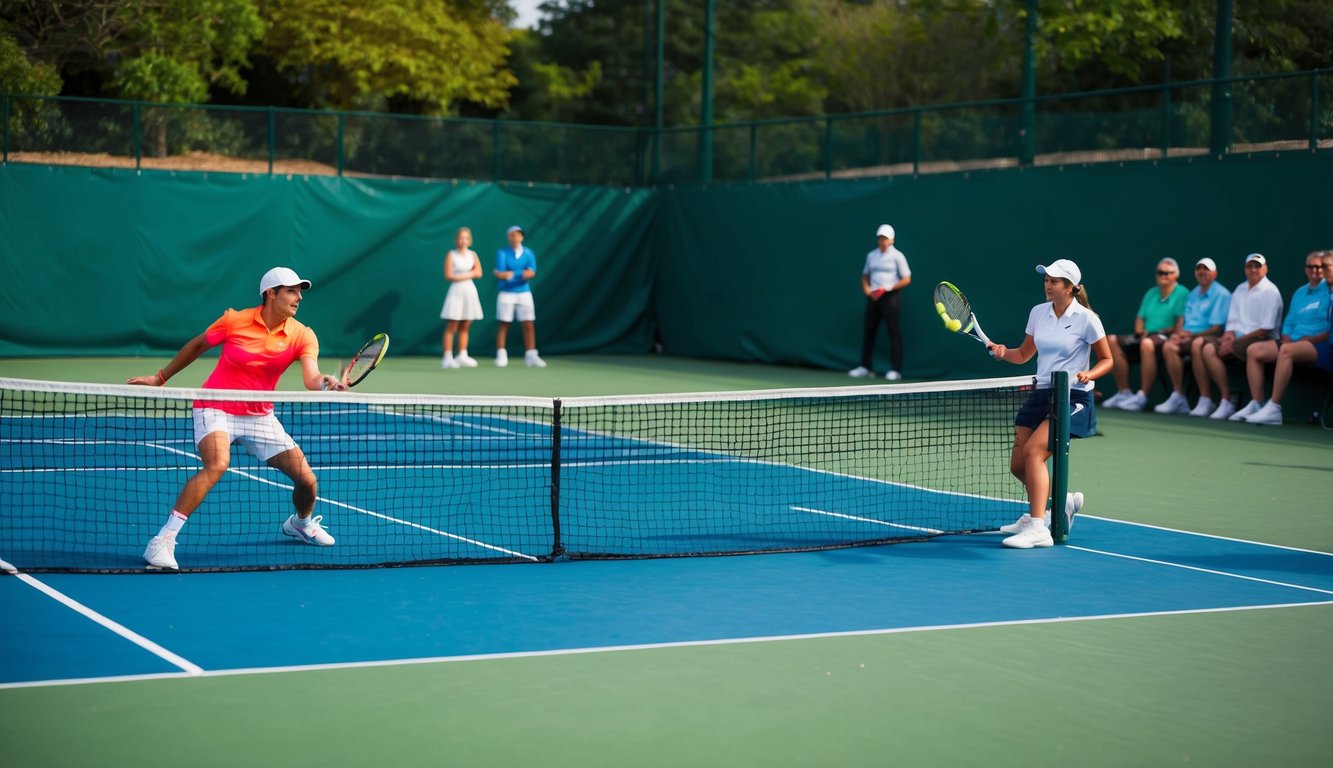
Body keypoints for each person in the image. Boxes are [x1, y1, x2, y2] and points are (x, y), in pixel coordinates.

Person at [126, 267, 347, 570]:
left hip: (260, 416)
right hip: (215, 406)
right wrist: (160, 377)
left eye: (300, 292)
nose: (298, 297)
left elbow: (311, 375)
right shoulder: (235, 320)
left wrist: (325, 383)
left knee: (307, 481)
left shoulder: (302, 334)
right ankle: (162, 541)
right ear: (271, 293)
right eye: (291, 291)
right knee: (217, 464)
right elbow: (197, 345)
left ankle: (300, 523)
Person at [988, 259, 1113, 549]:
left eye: (1054, 281)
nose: (1047, 285)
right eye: (1046, 280)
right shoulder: (1038, 313)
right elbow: (1023, 354)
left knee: (1034, 452)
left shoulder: (1087, 319)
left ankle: (1038, 527)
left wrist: (1089, 373)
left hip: (1073, 396)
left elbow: (1108, 359)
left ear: (1069, 288)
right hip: (1041, 393)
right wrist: (1003, 351)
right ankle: (1061, 502)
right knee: (1018, 464)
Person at [1231, 250, 1332, 424]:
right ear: (1305, 269)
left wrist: (1308, 340)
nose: (1316, 270)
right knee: (1254, 350)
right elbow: (1290, 320)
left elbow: (1328, 330)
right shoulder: (1300, 293)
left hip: (1317, 344)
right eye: (1312, 266)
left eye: (1321, 266)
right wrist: (1286, 337)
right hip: (1291, 342)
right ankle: (1257, 403)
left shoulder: (1329, 291)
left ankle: (1274, 408)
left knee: (1286, 351)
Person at [1191, 253, 1284, 419]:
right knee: (1208, 349)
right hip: (1238, 339)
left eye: (1257, 266)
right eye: (1250, 266)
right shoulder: (1240, 289)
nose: (1254, 269)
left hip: (1263, 339)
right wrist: (1228, 336)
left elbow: (1265, 329)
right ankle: (1226, 401)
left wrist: (1235, 342)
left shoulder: (1271, 292)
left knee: (1237, 349)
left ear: (1265, 269)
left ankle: (1257, 403)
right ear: (1245, 269)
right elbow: (1232, 322)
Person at [1101, 258, 1188, 411]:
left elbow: (1181, 321)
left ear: (1175, 276)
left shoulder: (1182, 293)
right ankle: (1124, 392)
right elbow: (1140, 318)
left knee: (1147, 343)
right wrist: (1139, 331)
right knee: (1111, 340)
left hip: (1166, 337)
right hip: (1146, 336)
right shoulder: (1151, 293)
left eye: (1168, 273)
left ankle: (1143, 396)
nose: (1164, 276)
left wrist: (1171, 331)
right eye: (1160, 273)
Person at [1153, 258, 1231, 414]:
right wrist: (1178, 334)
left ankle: (1208, 399)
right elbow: (1184, 321)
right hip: (1190, 337)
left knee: (1197, 345)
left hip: (1211, 337)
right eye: (1199, 269)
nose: (1202, 272)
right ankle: (1179, 396)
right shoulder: (1193, 293)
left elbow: (1216, 328)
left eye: (1206, 269)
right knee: (1169, 346)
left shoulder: (1222, 294)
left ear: (1214, 274)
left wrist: (1192, 336)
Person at [849, 224, 912, 381]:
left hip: (891, 298)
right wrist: (867, 289)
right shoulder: (871, 256)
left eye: (885, 238)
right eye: (880, 238)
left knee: (893, 332)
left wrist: (889, 287)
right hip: (873, 297)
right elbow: (865, 275)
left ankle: (896, 370)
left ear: (892, 240)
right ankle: (865, 367)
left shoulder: (898, 256)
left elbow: (906, 278)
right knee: (869, 331)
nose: (882, 241)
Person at [494, 225, 546, 368]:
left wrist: (512, 274)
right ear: (509, 237)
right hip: (506, 293)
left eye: (518, 235)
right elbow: (502, 273)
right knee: (504, 324)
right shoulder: (502, 252)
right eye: (512, 235)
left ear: (522, 237)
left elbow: (530, 272)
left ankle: (531, 355)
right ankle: (501, 355)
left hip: (524, 292)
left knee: (528, 324)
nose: (516, 237)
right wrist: (520, 273)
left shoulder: (529, 253)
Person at [440, 226, 483, 369]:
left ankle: (462, 355)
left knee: (466, 324)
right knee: (452, 324)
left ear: (469, 240)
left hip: (469, 291)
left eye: (465, 238)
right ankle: (447, 357)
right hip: (456, 292)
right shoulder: (451, 254)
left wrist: (464, 275)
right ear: (456, 240)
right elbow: (448, 275)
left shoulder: (473, 254)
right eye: (460, 238)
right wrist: (469, 274)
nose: (463, 240)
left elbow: (479, 272)